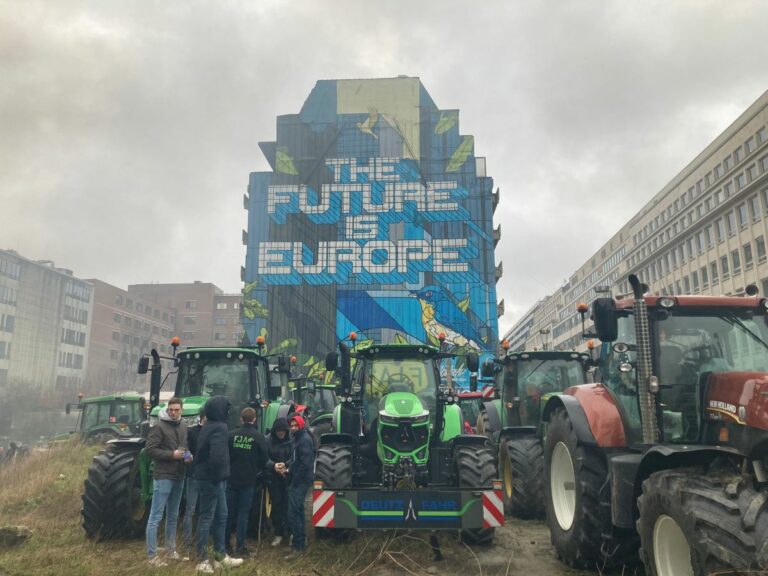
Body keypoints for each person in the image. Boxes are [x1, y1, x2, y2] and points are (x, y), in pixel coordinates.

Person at [194, 396, 243, 574]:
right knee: (207, 517)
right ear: (220, 410)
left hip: (215, 478)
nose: (228, 413)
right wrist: (217, 478)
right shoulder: (220, 428)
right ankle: (202, 559)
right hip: (212, 480)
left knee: (222, 515)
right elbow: (217, 456)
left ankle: (220, 556)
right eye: (227, 410)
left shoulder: (208, 425)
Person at [145, 397, 190, 567]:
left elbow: (184, 447)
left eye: (176, 409)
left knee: (173, 515)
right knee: (155, 517)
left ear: (181, 410)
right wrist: (171, 455)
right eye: (171, 409)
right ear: (167, 409)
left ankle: (171, 551)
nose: (173, 412)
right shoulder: (159, 426)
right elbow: (150, 449)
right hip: (163, 476)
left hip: (179, 476)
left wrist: (187, 456)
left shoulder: (184, 425)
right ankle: (152, 557)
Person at [225, 407, 269, 558]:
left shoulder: (231, 435)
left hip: (231, 480)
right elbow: (264, 460)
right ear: (254, 419)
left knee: (229, 513)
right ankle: (241, 547)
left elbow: (226, 456)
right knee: (243, 514)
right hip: (248, 482)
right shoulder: (259, 437)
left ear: (241, 419)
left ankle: (225, 545)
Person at [283, 414, 315, 560]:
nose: (293, 428)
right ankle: (301, 541)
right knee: (299, 511)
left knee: (293, 512)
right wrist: (287, 466)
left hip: (300, 481)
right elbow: (296, 460)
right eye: (292, 425)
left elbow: (305, 463)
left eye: (296, 425)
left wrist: (294, 479)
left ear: (301, 425)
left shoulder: (305, 440)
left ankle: (298, 546)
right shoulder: (297, 438)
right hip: (298, 479)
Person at [182, 406, 207, 550]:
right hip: (194, 475)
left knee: (204, 510)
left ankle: (201, 540)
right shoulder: (191, 432)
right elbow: (184, 448)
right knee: (190, 509)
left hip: (207, 476)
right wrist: (187, 458)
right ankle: (187, 542)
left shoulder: (211, 432)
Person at [266, 417, 292, 547]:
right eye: (278, 431)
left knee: (289, 504)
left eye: (283, 431)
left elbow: (294, 456)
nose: (281, 433)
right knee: (276, 505)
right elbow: (264, 457)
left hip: (288, 477)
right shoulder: (267, 441)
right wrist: (273, 466)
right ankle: (278, 533)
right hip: (274, 477)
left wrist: (286, 465)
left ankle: (290, 531)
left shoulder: (291, 440)